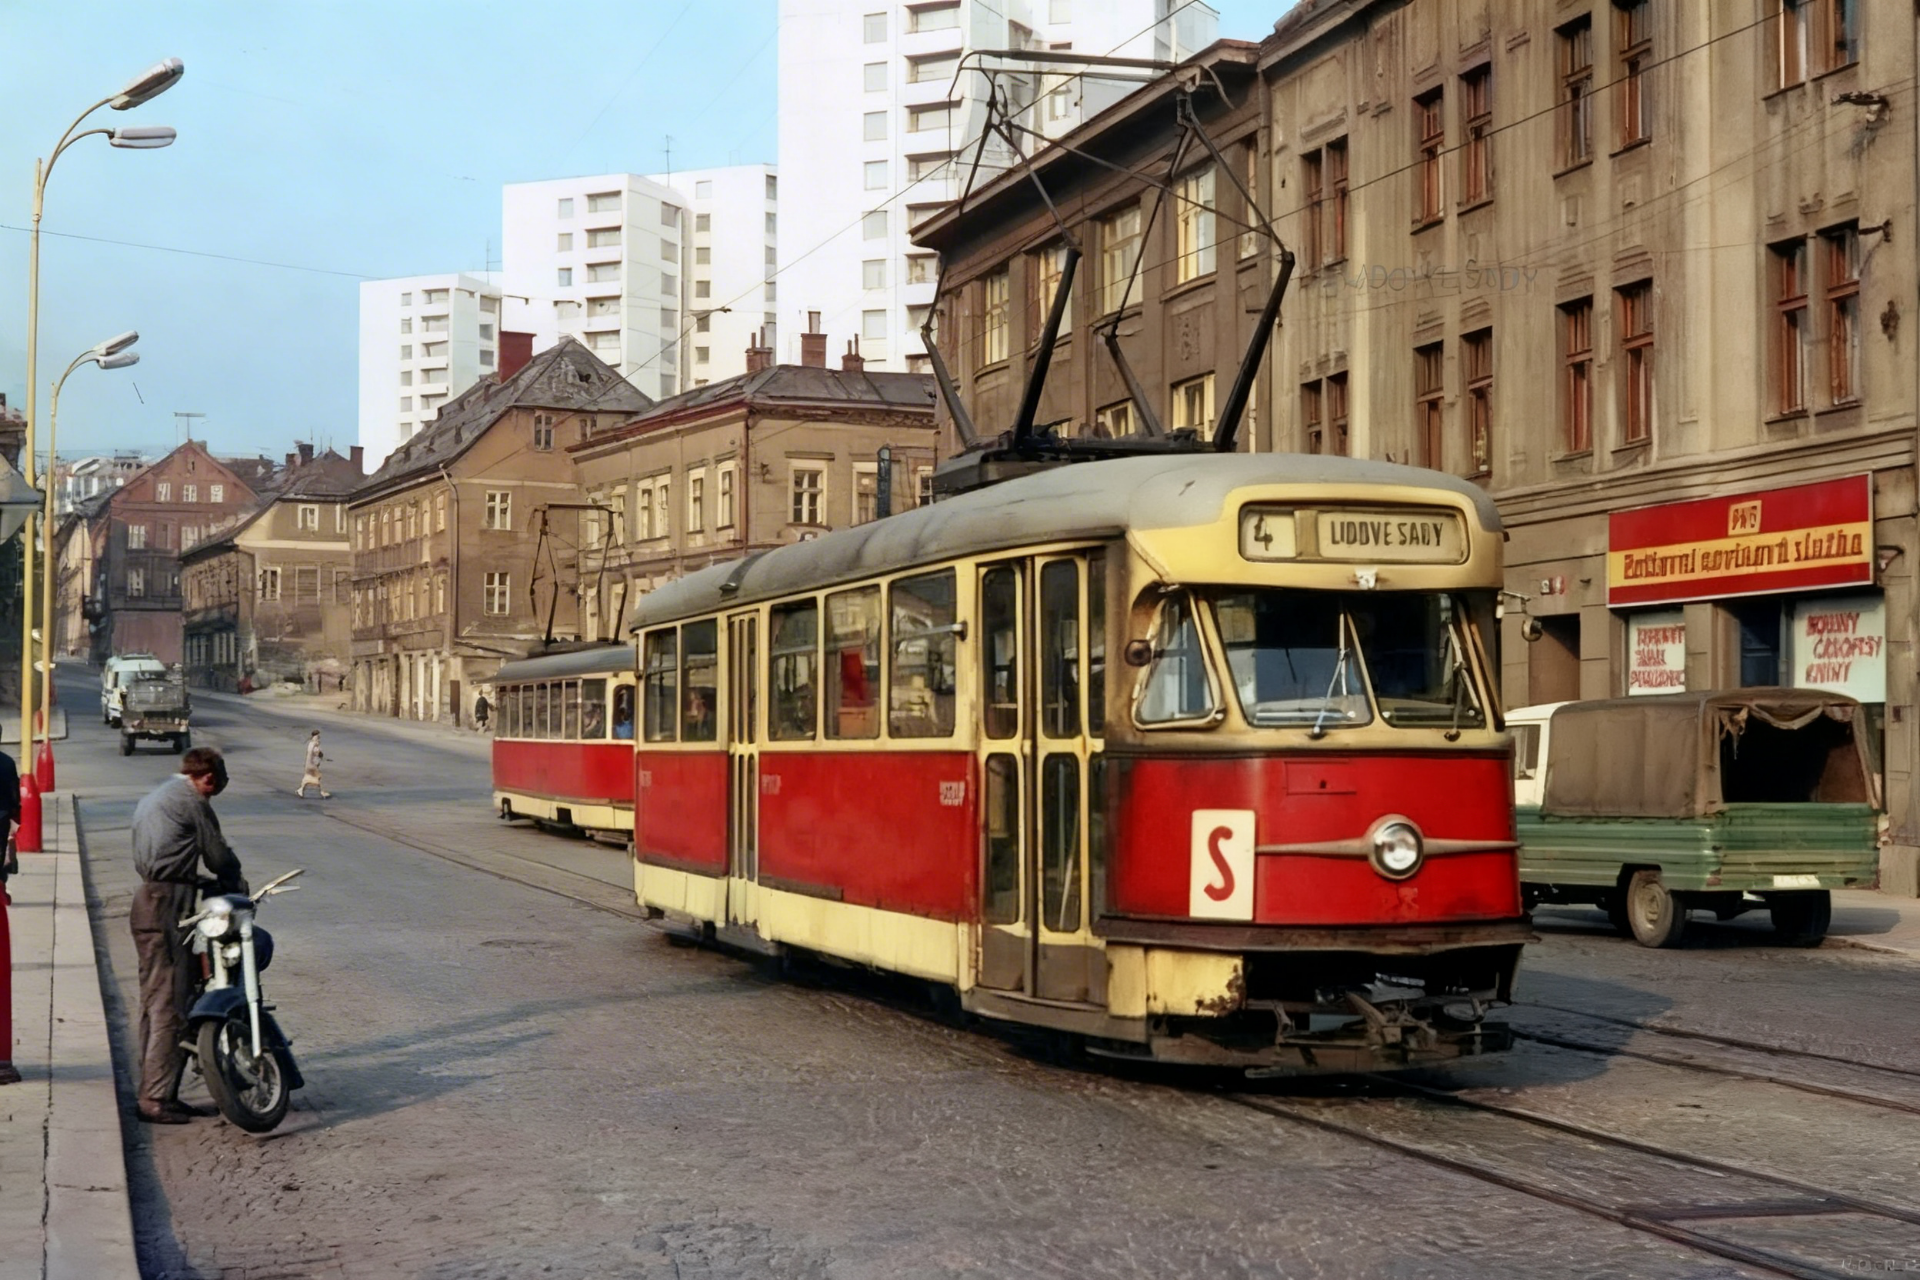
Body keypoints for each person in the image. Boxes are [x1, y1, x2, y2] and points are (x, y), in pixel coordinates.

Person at [129, 748, 246, 1124]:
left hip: (149, 898)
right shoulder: (192, 800)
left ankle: (157, 1088)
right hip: (168, 907)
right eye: (215, 790)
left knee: (153, 1000)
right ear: (208, 779)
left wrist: (195, 879)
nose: (211, 796)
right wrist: (236, 883)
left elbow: (164, 855)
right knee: (172, 1003)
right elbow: (218, 854)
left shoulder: (159, 795)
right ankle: (156, 1099)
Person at [296, 729, 331, 799]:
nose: (319, 737)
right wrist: (319, 754)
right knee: (317, 775)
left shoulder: (313, 743)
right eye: (318, 736)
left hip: (311, 762)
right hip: (312, 763)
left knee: (308, 775)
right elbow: (314, 751)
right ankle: (319, 791)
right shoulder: (313, 744)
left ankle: (301, 789)